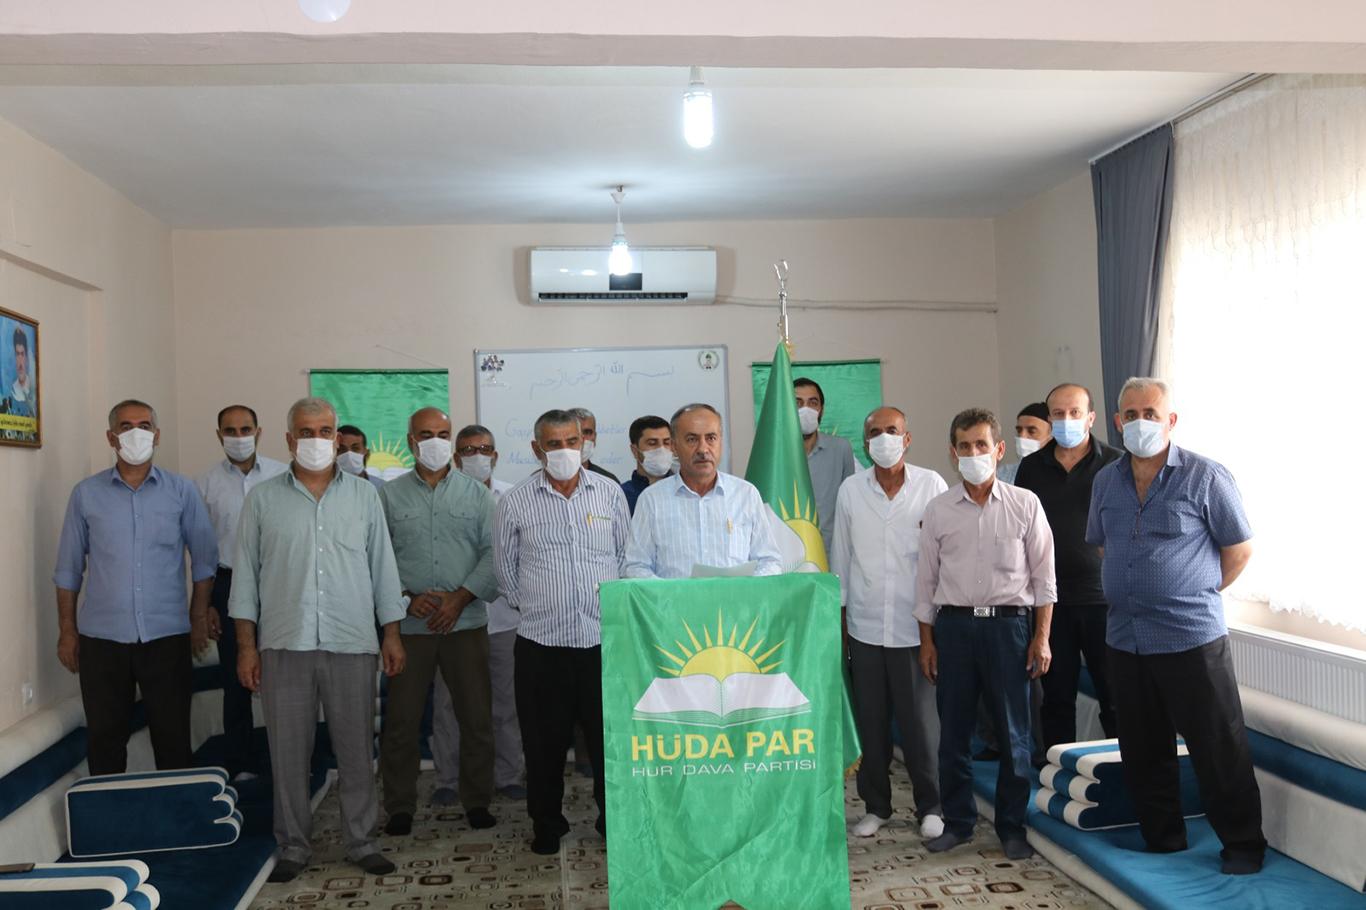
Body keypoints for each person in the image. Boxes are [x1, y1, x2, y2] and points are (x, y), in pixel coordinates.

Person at [1086, 377, 1264, 875]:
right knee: (1143, 750)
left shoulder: (1206, 476)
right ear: (1117, 421)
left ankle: (1244, 845)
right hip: (1125, 639)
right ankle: (1163, 839)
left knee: (1218, 746)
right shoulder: (1106, 481)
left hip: (1191, 639)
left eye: (1151, 413)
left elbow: (1239, 550)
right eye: (1131, 414)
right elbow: (1103, 545)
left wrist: (1193, 590)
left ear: (1171, 420)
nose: (1140, 422)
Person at [229, 396, 406, 883]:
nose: (316, 440)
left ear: (337, 436)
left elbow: (383, 569)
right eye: (306, 432)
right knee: (287, 752)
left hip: (352, 640)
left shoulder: (365, 496)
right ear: (289, 440)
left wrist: (391, 634)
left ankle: (362, 841)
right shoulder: (262, 499)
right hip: (284, 643)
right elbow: (245, 578)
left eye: (325, 431)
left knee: (356, 749)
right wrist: (246, 646)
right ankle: (292, 844)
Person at [915, 407, 1055, 860]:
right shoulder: (938, 510)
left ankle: (1012, 827)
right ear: (953, 453)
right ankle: (958, 823)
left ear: (998, 449)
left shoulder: (1025, 504)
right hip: (954, 628)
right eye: (964, 446)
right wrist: (927, 641)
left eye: (981, 444)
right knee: (954, 733)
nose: (973, 453)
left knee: (1015, 735)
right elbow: (925, 582)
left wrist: (1041, 637)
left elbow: (1044, 579)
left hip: (1009, 628)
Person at [53, 399, 218, 775]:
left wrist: (197, 618)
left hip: (166, 637)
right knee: (105, 741)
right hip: (102, 640)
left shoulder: (182, 491)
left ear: (156, 436)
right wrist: (67, 630)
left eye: (144, 426)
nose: (136, 434)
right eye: (126, 427)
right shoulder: (86, 494)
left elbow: (205, 561)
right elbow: (68, 570)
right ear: (111, 437)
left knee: (173, 740)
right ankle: (108, 811)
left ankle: (175, 810)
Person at [494, 409, 629, 855]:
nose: (565, 450)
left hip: (602, 642)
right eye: (554, 444)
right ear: (537, 449)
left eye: (572, 441)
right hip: (542, 644)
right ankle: (547, 824)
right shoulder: (515, 501)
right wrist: (542, 605)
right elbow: (505, 571)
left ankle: (613, 822)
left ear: (584, 443)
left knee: (609, 742)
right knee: (543, 744)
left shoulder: (609, 493)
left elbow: (625, 558)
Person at [378, 408, 499, 836]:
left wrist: (459, 598)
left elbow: (494, 554)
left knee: (476, 720)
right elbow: (378, 557)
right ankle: (399, 806)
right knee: (401, 722)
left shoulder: (477, 495)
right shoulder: (388, 496)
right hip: (409, 629)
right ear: (410, 442)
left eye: (443, 434)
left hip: (465, 624)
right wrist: (404, 599)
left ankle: (477, 801)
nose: (435, 441)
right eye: (426, 434)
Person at [831, 406, 947, 840]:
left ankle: (931, 806)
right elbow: (841, 560)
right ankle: (876, 806)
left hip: (915, 630)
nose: (884, 439)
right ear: (865, 444)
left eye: (892, 431)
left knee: (921, 726)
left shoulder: (932, 485)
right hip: (864, 628)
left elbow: (942, 560)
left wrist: (935, 631)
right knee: (872, 724)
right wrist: (841, 628)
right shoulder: (850, 490)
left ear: (907, 438)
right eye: (875, 433)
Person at [1015, 383, 1120, 748]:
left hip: (1104, 601)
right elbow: (1021, 532)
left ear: (1090, 418)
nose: (1066, 420)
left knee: (1115, 698)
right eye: (1058, 414)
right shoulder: (1031, 467)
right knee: (1056, 700)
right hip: (1050, 603)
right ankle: (1057, 774)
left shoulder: (1115, 463)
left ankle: (1124, 774)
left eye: (1074, 412)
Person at [429, 424, 524, 806]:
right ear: (456, 458)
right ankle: (448, 780)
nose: (477, 456)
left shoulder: (514, 498)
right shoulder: (441, 498)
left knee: (506, 703)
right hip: (454, 620)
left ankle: (509, 775)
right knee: (448, 705)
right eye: (468, 450)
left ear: (495, 456)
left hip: (505, 619)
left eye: (484, 449)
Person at [195, 404, 288, 779]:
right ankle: (242, 764)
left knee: (285, 675)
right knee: (236, 680)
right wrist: (206, 606)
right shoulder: (204, 485)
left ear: (259, 432)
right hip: (228, 585)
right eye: (230, 431)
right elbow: (201, 551)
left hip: (278, 584)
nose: (238, 437)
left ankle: (290, 760)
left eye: (245, 429)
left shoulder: (283, 476)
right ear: (219, 435)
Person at [624, 403, 782, 579]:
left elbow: (769, 561)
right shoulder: (651, 499)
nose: (703, 449)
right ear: (674, 447)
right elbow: (635, 567)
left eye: (711, 438)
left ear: (721, 441)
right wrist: (669, 592)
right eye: (692, 439)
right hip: (674, 598)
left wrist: (745, 590)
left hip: (735, 597)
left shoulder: (745, 494)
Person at [794, 377, 858, 555]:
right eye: (798, 403)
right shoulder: (774, 453)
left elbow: (850, 504)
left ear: (821, 409)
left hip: (831, 554)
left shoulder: (841, 449)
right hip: (788, 557)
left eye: (812, 403)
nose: (805, 409)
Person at [619, 414, 674, 515]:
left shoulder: (685, 490)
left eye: (666, 443)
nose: (661, 449)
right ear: (635, 451)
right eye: (652, 443)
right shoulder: (621, 495)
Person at [997, 402, 1051, 484]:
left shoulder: (1060, 475)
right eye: (1019, 430)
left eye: (1031, 431)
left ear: (1051, 436)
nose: (1022, 436)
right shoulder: (1003, 474)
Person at [569, 407, 618, 482]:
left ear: (594, 438)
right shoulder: (550, 478)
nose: (582, 438)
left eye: (587, 432)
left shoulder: (609, 481)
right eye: (576, 431)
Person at [337, 424, 386, 490]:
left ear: (366, 453)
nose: (348, 454)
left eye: (355, 448)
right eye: (342, 449)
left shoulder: (382, 488)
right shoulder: (325, 488)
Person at [9, 326, 34, 417]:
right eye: (17, 354)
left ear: (26, 357)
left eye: (22, 354)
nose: (20, 360)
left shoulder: (31, 386)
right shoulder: (13, 390)